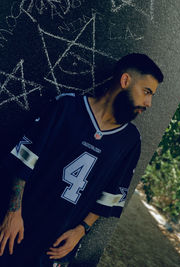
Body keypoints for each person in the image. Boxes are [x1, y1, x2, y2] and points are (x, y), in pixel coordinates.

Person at [0, 53, 163, 267]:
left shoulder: (130, 141)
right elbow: (25, 158)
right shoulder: (66, 107)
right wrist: (13, 212)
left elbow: (110, 197)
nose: (148, 103)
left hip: (52, 248)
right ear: (125, 81)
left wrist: (81, 230)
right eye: (146, 92)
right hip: (16, 227)